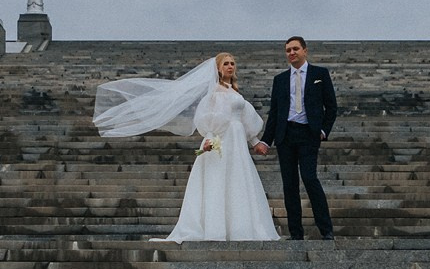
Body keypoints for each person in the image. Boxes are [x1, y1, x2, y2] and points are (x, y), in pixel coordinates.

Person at [93, 53, 278, 242]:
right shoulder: (215, 92)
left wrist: (255, 142)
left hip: (238, 143)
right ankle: (217, 228)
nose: (230, 67)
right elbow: (210, 118)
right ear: (218, 68)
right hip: (223, 141)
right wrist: (210, 138)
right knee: (220, 181)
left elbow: (246, 120)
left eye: (232, 63)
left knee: (237, 181)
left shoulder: (235, 92)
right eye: (226, 64)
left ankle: (239, 228)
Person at [255, 35, 337, 240]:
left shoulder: (320, 74)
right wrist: (266, 140)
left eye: (295, 49)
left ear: (305, 50)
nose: (291, 53)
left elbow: (332, 106)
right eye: (288, 50)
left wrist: (323, 130)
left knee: (310, 178)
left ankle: (326, 229)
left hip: (309, 134)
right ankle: (296, 233)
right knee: (289, 185)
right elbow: (275, 112)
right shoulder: (280, 79)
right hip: (286, 136)